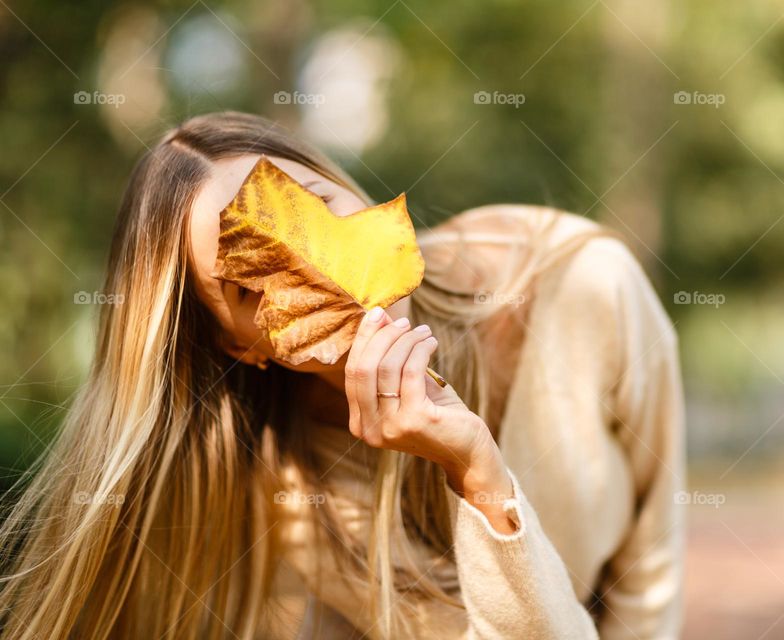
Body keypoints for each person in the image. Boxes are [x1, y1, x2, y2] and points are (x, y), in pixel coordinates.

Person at [0, 111, 686, 639]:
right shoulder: (301, 494)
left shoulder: (588, 286)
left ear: (348, 186)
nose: (323, 278)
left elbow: (651, 576)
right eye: (253, 285)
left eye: (319, 212)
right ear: (241, 348)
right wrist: (476, 476)